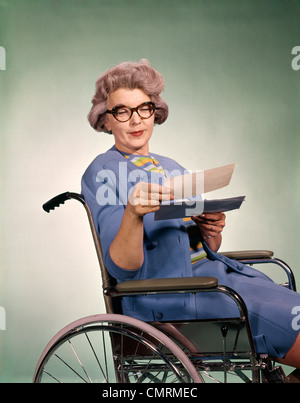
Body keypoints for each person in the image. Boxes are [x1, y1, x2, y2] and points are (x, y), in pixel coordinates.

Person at [81, 59, 300, 378]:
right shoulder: (103, 172)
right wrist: (132, 214)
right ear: (106, 118)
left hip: (219, 279)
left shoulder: (171, 166)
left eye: (144, 107)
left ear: (155, 110)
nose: (135, 120)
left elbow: (196, 245)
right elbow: (122, 269)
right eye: (122, 111)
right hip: (175, 297)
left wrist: (211, 231)